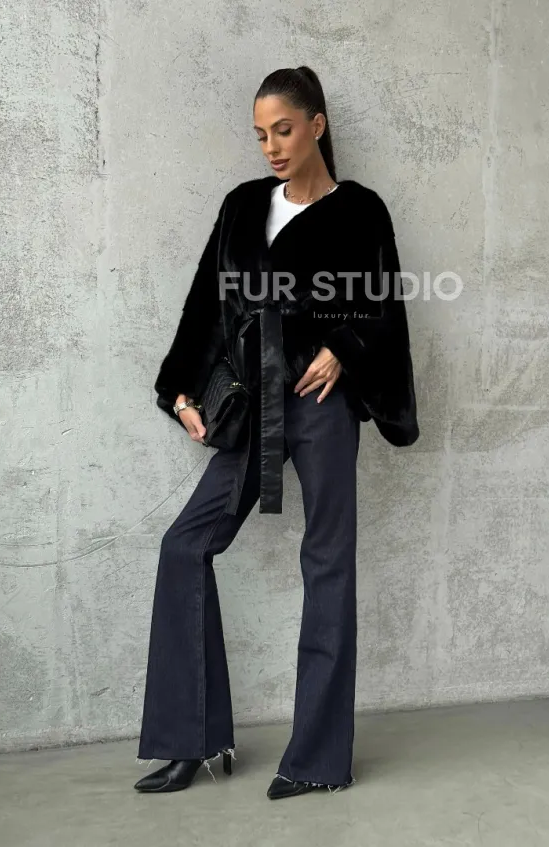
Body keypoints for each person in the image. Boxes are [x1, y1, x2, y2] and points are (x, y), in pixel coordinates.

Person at [134, 65, 419, 799]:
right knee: (184, 545)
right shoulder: (241, 206)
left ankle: (318, 760)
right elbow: (206, 303)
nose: (271, 146)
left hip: (321, 402)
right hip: (251, 402)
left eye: (284, 130)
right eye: (261, 134)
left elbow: (383, 306)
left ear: (317, 125)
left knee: (327, 563)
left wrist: (343, 347)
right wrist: (179, 388)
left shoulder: (361, 210)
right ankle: (192, 739)